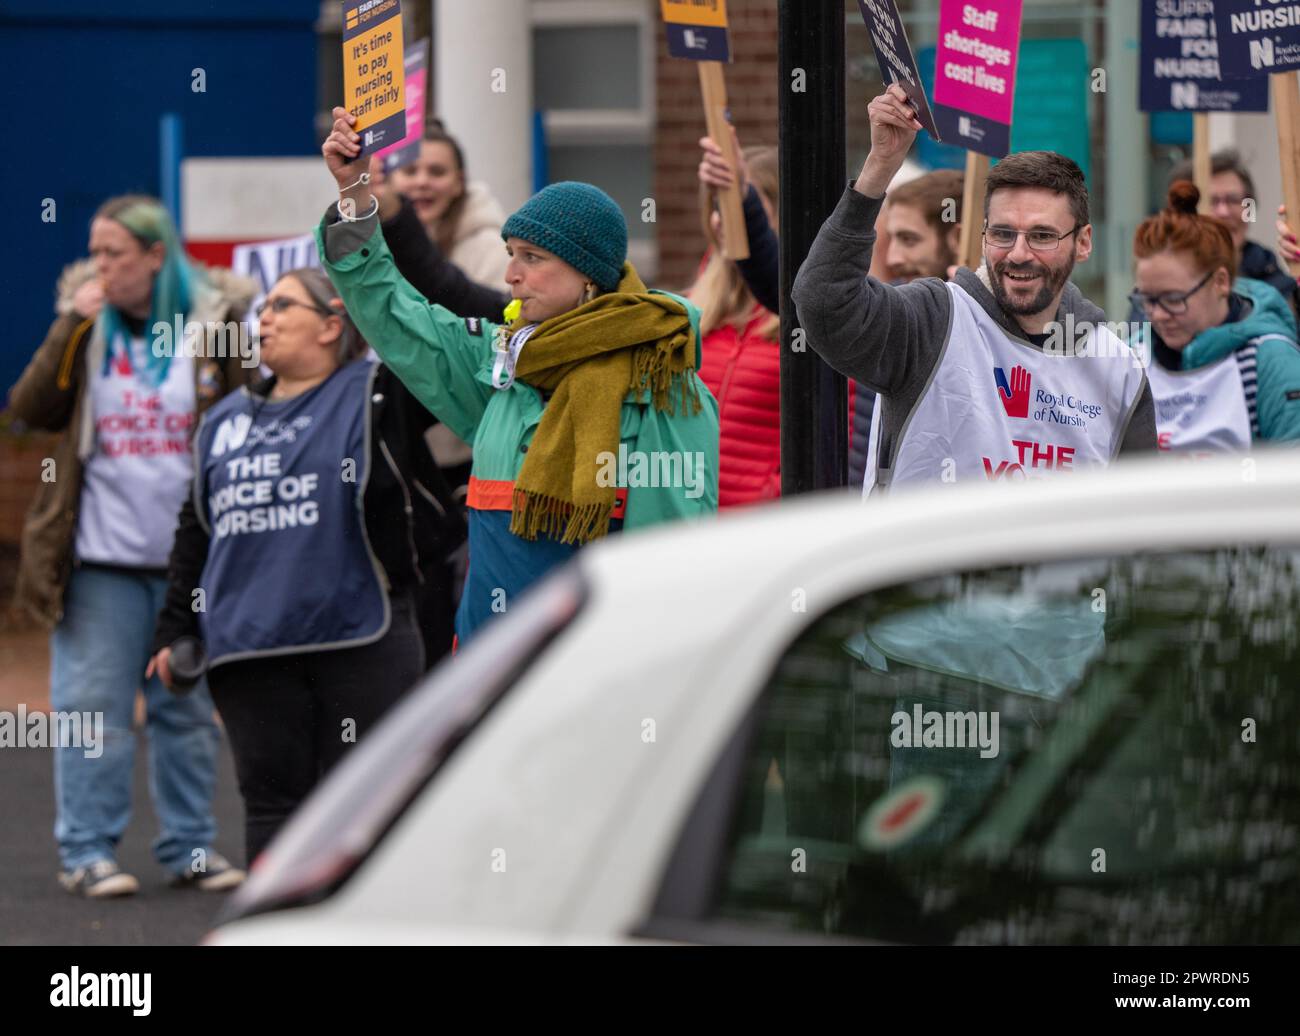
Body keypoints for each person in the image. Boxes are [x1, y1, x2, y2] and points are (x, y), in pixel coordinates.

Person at [319, 107, 719, 645]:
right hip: (488, 671)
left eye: (532, 257)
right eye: (511, 255)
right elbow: (393, 312)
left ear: (590, 277)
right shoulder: (501, 362)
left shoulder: (663, 384)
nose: (511, 275)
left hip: (592, 676)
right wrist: (355, 192)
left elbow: (673, 562)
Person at [147, 268, 464, 864]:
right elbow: (194, 532)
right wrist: (176, 629)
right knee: (272, 807)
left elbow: (431, 333)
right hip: (251, 647)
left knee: (367, 801)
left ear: (331, 324)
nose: (264, 317)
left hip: (359, 635)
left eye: (283, 305)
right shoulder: (222, 421)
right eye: (262, 307)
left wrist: (372, 268)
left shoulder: (377, 391)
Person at [7, 194, 251, 898]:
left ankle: (190, 849)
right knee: (93, 711)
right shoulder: (86, 326)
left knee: (185, 713)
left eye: (115, 252)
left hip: (191, 564)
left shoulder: (214, 326)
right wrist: (66, 326)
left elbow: (246, 416)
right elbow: (29, 412)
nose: (101, 265)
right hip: (100, 563)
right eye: (96, 251)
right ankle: (86, 851)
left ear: (155, 257)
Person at [792, 85, 1156, 494]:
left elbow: (1137, 524)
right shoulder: (933, 320)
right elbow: (824, 304)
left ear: (1084, 242)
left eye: (1042, 236)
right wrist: (879, 167)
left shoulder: (1117, 367)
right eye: (1002, 233)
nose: (1019, 254)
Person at [1132, 182, 1300, 452]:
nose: (1159, 315)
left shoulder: (1268, 360)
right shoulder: (1133, 358)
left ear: (1220, 282)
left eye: (1174, 300)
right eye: (1147, 300)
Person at [689, 145, 782, 507]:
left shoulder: (806, 320)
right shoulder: (694, 313)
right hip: (691, 527)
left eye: (734, 204)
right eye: (717, 205)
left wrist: (772, 495)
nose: (718, 219)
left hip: (762, 537)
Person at [1168, 149, 1297, 313]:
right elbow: (1136, 335)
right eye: (1212, 201)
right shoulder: (1161, 281)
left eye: (1234, 200)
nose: (1224, 212)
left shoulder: (1275, 280)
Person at [387, 123, 510, 291]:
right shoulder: (371, 243)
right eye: (410, 171)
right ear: (390, 179)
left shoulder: (491, 249)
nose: (422, 182)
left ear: (459, 182)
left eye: (437, 172)